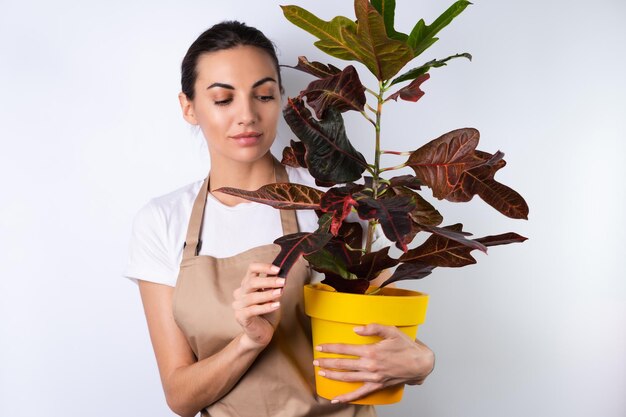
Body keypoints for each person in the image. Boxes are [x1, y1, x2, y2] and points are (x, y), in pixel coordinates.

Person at [125, 21, 435, 417]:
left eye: (265, 95)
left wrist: (422, 364)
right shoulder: (163, 221)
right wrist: (249, 341)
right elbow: (180, 396)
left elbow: (383, 333)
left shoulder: (334, 203)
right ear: (189, 108)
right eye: (223, 100)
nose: (248, 115)